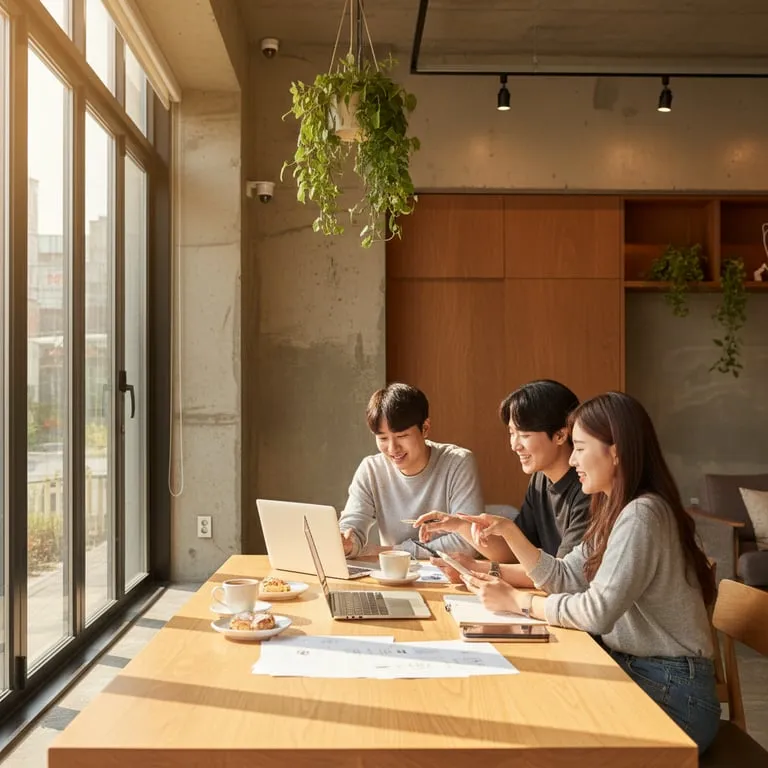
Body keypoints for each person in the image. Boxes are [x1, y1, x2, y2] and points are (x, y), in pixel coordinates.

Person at [460, 392, 721, 755]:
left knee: (543, 737)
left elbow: (597, 611)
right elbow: (567, 575)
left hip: (673, 692)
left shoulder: (642, 515)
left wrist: (521, 603)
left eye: (580, 448)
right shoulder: (615, 510)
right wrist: (508, 532)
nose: (573, 459)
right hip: (641, 672)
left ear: (615, 451)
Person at [414, 380, 591, 581]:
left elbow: (562, 577)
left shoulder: (588, 489)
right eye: (511, 433)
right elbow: (514, 553)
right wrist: (458, 525)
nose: (515, 445)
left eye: (524, 435)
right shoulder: (540, 479)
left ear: (560, 435)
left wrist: (476, 568)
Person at [338, 383, 484, 559]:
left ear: (425, 428)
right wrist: (347, 543)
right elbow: (353, 525)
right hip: (393, 577)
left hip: (447, 578)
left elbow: (468, 542)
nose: (392, 448)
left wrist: (395, 552)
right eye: (382, 438)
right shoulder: (371, 469)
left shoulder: (457, 463)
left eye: (402, 436)